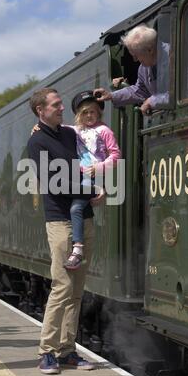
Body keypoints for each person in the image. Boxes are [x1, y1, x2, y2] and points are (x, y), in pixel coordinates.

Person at [27, 88, 104, 374]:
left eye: (61, 103)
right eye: (56, 104)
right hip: (60, 221)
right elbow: (53, 183)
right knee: (62, 286)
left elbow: (86, 164)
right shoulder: (37, 142)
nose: (62, 107)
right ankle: (46, 351)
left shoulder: (70, 135)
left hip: (83, 218)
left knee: (76, 290)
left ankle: (68, 350)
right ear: (41, 111)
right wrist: (91, 190)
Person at [64, 90, 121, 270]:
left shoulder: (104, 131)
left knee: (76, 208)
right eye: (85, 112)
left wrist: (99, 168)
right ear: (79, 115)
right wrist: (38, 128)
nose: (89, 115)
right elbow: (57, 130)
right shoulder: (75, 131)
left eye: (93, 112)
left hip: (93, 174)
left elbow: (116, 155)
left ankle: (78, 249)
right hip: (79, 175)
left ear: (99, 113)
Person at [94, 24, 169, 114]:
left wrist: (152, 101)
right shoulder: (143, 68)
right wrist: (111, 95)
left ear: (150, 50)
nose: (135, 60)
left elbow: (184, 92)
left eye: (136, 55)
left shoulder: (176, 56)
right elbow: (139, 91)